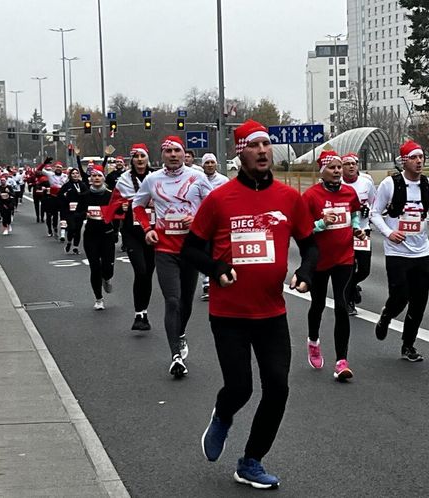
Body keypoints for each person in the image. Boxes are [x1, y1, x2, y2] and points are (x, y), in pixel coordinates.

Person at [182, 119, 317, 489]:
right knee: (240, 387)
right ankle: (222, 415)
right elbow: (190, 248)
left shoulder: (289, 198)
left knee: (278, 387)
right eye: (253, 145)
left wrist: (306, 271)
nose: (262, 151)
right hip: (229, 314)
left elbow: (310, 244)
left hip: (271, 311)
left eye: (266, 145)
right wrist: (216, 266)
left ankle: (251, 461)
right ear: (240, 152)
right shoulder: (219, 199)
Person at [132, 135, 212, 377]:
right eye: (169, 152)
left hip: (191, 249)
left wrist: (197, 219)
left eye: (177, 151)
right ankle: (175, 356)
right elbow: (137, 206)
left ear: (183, 153)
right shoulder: (152, 179)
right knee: (173, 301)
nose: (173, 155)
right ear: (162, 155)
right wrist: (147, 229)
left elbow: (214, 207)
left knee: (186, 303)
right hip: (165, 249)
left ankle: (180, 334)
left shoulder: (197, 177)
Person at [370, 140, 429, 361]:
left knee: (419, 301)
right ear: (404, 161)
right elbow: (375, 213)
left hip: (421, 251)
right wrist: (389, 233)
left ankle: (408, 346)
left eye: (421, 157)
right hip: (397, 252)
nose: (419, 161)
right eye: (414, 157)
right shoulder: (390, 184)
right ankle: (387, 315)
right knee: (400, 296)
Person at [302, 150, 365, 381]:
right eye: (333, 168)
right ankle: (313, 341)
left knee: (341, 305)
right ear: (323, 171)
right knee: (317, 304)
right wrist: (320, 223)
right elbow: (302, 230)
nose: (338, 171)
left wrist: (356, 227)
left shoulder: (349, 192)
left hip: (344, 258)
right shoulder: (310, 196)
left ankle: (341, 361)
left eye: (339, 167)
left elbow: (355, 213)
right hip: (319, 260)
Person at [104, 143, 155, 331]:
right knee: (140, 271)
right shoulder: (124, 180)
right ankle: (138, 313)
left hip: (152, 231)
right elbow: (113, 205)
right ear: (131, 160)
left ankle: (144, 312)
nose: (140, 160)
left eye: (143, 156)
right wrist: (123, 206)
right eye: (136, 157)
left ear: (147, 158)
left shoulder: (156, 177)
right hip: (132, 232)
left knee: (148, 273)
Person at [76, 165, 118, 310]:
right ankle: (98, 298)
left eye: (99, 176)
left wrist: (116, 232)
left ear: (103, 178)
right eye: (94, 176)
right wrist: (84, 215)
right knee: (95, 268)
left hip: (107, 235)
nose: (96, 178)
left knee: (107, 268)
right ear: (90, 179)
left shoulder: (110, 195)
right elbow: (76, 214)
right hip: (91, 236)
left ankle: (107, 277)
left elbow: (118, 215)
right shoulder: (85, 196)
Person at [341, 152, 376, 315]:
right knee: (348, 268)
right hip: (343, 232)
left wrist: (367, 212)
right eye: (347, 164)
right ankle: (348, 301)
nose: (351, 166)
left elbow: (374, 203)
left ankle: (352, 285)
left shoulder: (366, 182)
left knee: (364, 269)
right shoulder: (338, 183)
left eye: (354, 163)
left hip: (362, 231)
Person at [199, 152, 229, 300]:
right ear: (202, 165)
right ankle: (206, 283)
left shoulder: (224, 180)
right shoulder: (197, 181)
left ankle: (222, 278)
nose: (210, 165)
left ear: (216, 164)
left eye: (212, 162)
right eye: (207, 163)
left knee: (220, 252)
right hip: (203, 223)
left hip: (220, 223)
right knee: (205, 253)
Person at [59, 168, 88, 254]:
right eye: (73, 173)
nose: (75, 175)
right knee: (72, 227)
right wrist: (66, 200)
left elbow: (87, 194)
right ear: (70, 175)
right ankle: (69, 242)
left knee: (78, 229)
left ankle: (75, 247)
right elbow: (60, 195)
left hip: (80, 210)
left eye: (76, 173)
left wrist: (81, 196)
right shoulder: (67, 185)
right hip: (70, 211)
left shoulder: (82, 184)